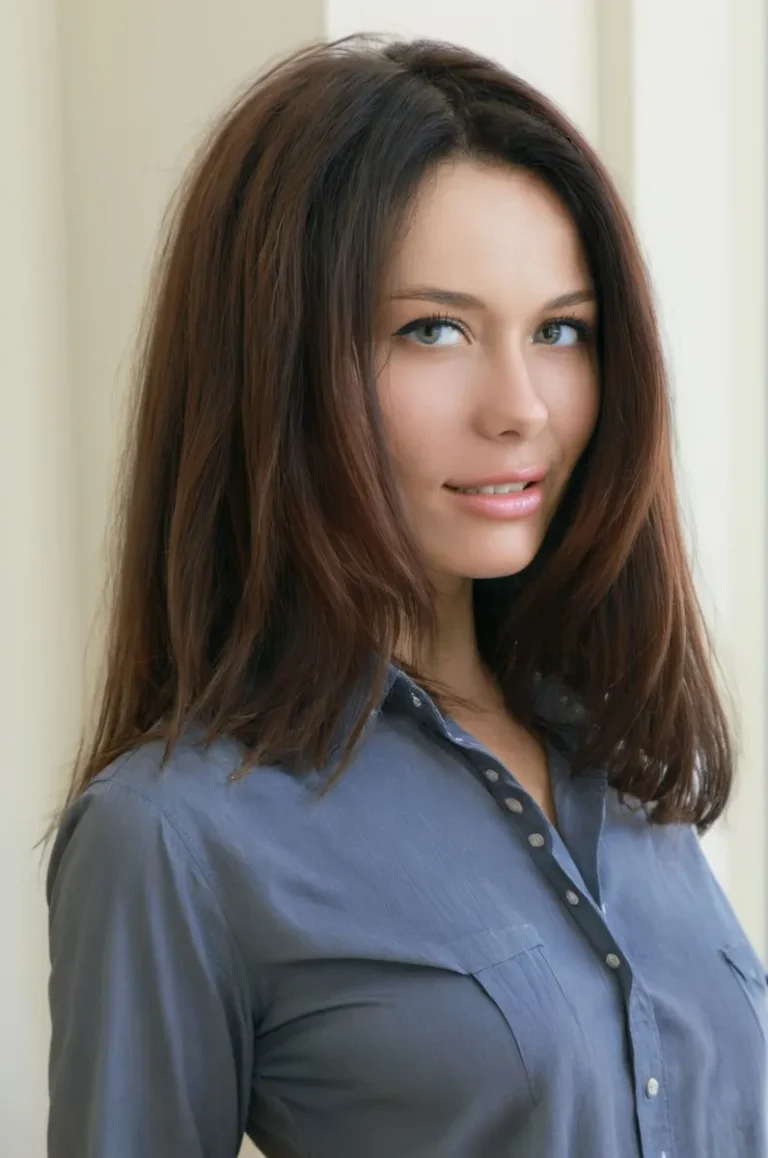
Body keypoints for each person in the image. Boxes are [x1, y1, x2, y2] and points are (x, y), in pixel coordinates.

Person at [45, 32, 767, 1158]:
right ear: (280, 364)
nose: (522, 404)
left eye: (560, 331)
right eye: (435, 329)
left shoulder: (620, 767)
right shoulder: (172, 839)